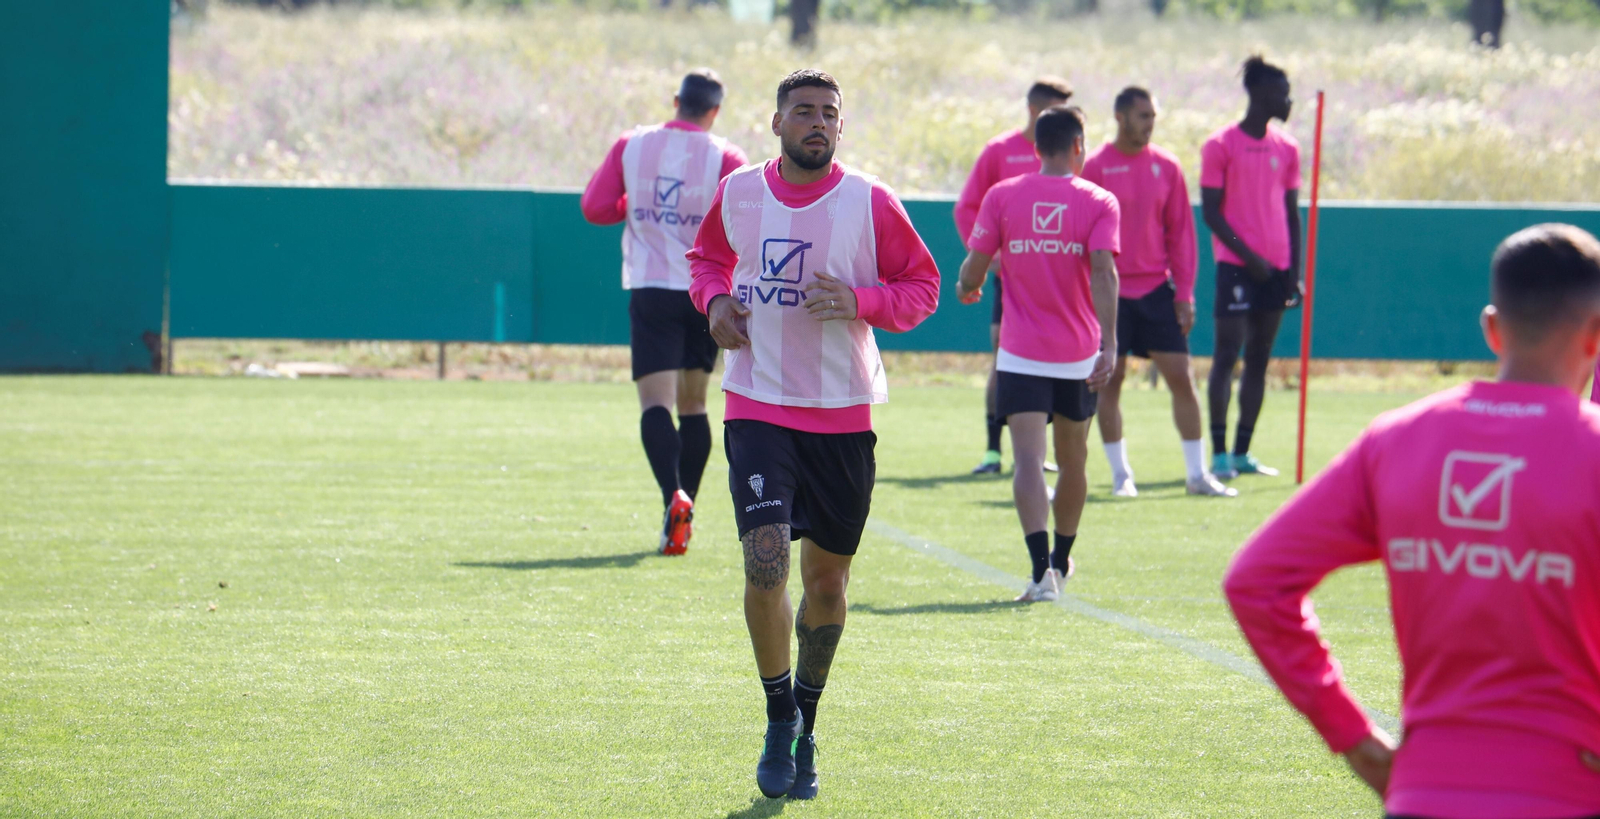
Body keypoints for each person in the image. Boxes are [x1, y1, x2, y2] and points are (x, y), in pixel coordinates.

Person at [1224, 223, 1600, 818]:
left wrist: (1357, 742)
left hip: (1424, 792)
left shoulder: (1398, 439)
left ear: (1491, 329)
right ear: (1595, 336)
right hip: (1570, 793)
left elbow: (1255, 582)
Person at [685, 69, 939, 801]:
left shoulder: (869, 201)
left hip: (842, 417)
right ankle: (776, 714)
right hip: (758, 404)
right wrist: (715, 304)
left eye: (830, 113)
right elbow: (706, 261)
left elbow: (921, 287)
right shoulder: (739, 192)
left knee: (827, 584)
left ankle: (808, 720)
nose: (818, 123)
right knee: (765, 566)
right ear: (776, 123)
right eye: (804, 112)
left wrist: (862, 298)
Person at [580, 69, 748, 556]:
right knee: (693, 405)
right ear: (714, 111)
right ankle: (685, 506)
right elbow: (743, 216)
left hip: (652, 286)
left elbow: (594, 206)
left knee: (654, 404)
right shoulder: (726, 156)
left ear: (676, 101)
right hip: (704, 289)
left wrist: (635, 204)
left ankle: (669, 497)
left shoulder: (631, 145)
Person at [956, 105, 1119, 602]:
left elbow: (975, 266)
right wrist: (1109, 344)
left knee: (1028, 459)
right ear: (1078, 146)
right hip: (1076, 353)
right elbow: (1104, 274)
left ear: (1036, 147)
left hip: (1021, 352)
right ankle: (1060, 560)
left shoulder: (1004, 195)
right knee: (1074, 462)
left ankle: (1037, 571)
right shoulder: (1098, 200)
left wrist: (968, 286)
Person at [1082, 86, 1233, 498]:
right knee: (1108, 383)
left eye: (1153, 116)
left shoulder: (1166, 166)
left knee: (1182, 379)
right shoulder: (1095, 167)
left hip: (1156, 292)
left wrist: (1184, 293)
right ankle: (1121, 475)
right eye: (1142, 116)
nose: (1150, 123)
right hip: (1110, 295)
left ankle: (1197, 475)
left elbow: (1182, 234)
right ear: (1120, 118)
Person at [955, 77, 1075, 476]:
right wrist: (986, 255)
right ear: (1033, 110)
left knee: (1060, 360)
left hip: (1061, 283)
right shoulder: (1001, 150)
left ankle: (1040, 449)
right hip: (1013, 280)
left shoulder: (1072, 155)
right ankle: (993, 451)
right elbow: (967, 207)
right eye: (1053, 111)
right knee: (1003, 359)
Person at [1201, 55, 1302, 480]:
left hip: (1276, 270)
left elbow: (1292, 212)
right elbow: (1211, 212)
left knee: (1260, 357)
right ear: (1260, 94)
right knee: (1228, 355)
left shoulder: (1288, 147)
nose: (1288, 99)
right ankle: (1220, 453)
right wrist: (1249, 257)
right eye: (1281, 91)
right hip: (1238, 268)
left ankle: (1243, 452)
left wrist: (1292, 272)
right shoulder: (1220, 144)